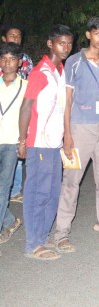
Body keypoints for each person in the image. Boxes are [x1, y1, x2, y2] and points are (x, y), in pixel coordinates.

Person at [56, 16, 99, 250]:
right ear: (88, 35)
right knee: (71, 181)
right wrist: (67, 134)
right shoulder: (74, 61)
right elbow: (67, 100)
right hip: (79, 128)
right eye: (97, 34)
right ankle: (61, 233)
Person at [18, 24, 73, 260]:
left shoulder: (60, 71)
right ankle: (33, 243)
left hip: (54, 143)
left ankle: (43, 235)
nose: (66, 47)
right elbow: (26, 106)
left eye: (69, 43)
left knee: (52, 192)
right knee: (37, 192)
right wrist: (22, 140)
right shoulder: (40, 72)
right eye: (61, 43)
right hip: (38, 142)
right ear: (50, 44)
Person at [2, 23, 33, 204]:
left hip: (15, 131)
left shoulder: (26, 62)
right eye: (12, 35)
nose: (16, 38)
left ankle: (14, 191)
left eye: (18, 36)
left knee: (9, 176)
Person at [0, 42, 26, 248]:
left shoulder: (26, 86)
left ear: (19, 63)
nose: (7, 63)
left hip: (12, 143)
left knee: (3, 187)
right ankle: (9, 220)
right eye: (4, 58)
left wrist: (24, 141)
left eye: (12, 59)